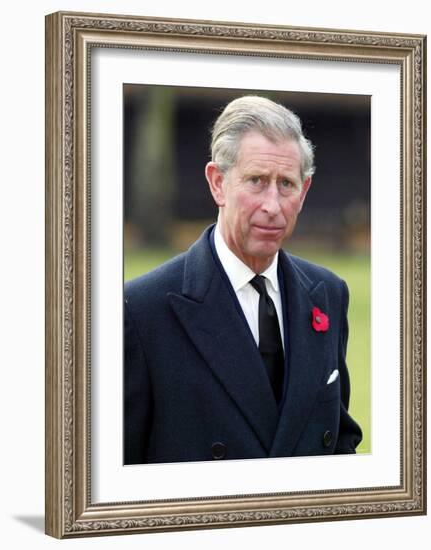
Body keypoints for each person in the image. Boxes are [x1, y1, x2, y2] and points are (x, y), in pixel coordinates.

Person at [124, 95, 362, 465]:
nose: (272, 205)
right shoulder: (141, 310)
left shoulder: (329, 294)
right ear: (218, 183)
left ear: (305, 191)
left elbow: (340, 441)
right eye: (256, 181)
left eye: (286, 184)